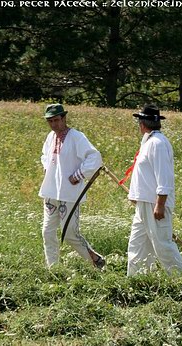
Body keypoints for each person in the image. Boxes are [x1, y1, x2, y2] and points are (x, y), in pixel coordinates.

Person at [39, 103, 106, 269]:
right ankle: (53, 268)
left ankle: (94, 260)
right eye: (50, 121)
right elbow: (44, 156)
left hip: (70, 193)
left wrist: (78, 175)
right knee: (47, 232)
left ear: (64, 118)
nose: (54, 124)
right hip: (51, 191)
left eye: (56, 120)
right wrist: (48, 169)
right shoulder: (50, 137)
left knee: (69, 234)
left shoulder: (77, 137)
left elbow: (94, 157)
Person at [126, 104, 182, 276]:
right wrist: (136, 195)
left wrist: (160, 204)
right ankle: (138, 280)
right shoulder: (149, 141)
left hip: (155, 204)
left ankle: (181, 279)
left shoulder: (158, 144)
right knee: (137, 245)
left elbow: (164, 177)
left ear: (142, 123)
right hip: (144, 203)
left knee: (162, 244)